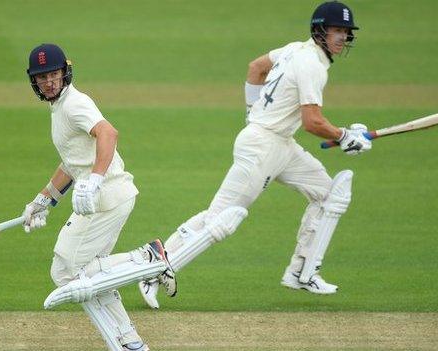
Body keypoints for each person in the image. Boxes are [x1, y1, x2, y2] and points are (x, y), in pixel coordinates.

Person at [138, 1, 372, 309]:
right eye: (337, 31)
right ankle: (154, 269)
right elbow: (312, 121)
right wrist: (344, 136)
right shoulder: (312, 65)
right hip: (263, 147)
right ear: (320, 30)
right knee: (221, 219)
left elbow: (255, 68)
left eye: (346, 32)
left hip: (281, 145)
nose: (342, 37)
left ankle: (302, 272)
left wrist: (253, 112)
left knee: (330, 195)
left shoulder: (294, 49)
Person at [21, 43, 176, 351]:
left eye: (54, 74)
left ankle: (146, 257)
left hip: (105, 197)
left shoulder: (74, 104)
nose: (49, 82)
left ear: (65, 72)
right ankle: (130, 341)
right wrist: (44, 200)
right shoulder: (59, 109)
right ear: (34, 81)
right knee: (90, 275)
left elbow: (108, 133)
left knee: (67, 272)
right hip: (98, 198)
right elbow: (72, 161)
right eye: (42, 77)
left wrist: (94, 180)